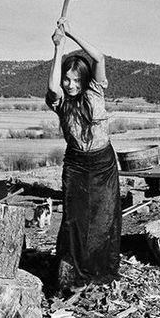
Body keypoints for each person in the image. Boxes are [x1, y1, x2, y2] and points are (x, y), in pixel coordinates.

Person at [46, 17, 121, 291]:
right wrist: (58, 47)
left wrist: (72, 32)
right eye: (67, 78)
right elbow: (53, 88)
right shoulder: (60, 101)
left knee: (104, 217)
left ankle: (100, 270)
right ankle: (72, 273)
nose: (70, 84)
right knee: (75, 221)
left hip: (103, 164)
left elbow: (98, 56)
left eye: (76, 79)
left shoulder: (95, 92)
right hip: (76, 165)